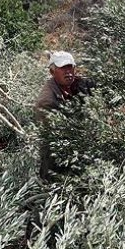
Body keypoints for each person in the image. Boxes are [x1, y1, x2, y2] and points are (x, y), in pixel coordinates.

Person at [34, 51, 93, 180]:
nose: (68, 72)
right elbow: (56, 136)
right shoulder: (47, 101)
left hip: (79, 148)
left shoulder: (79, 83)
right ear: (52, 72)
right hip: (57, 157)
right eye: (63, 68)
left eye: (70, 67)